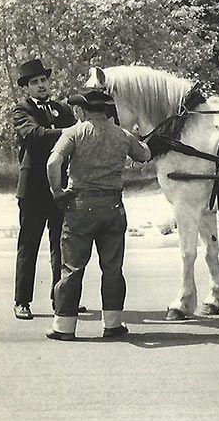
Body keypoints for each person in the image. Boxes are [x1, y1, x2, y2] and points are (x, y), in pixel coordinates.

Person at [45, 87, 151, 341]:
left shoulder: (73, 133)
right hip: (113, 207)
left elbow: (52, 163)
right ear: (106, 110)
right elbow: (145, 154)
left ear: (82, 110)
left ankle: (64, 327)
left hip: (80, 206)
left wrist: (58, 191)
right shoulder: (122, 135)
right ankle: (112, 324)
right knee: (112, 268)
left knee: (71, 268)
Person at [11, 58, 77, 320]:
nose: (41, 86)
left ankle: (60, 298)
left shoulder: (61, 109)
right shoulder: (21, 110)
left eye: (43, 81)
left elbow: (79, 136)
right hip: (33, 189)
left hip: (59, 186)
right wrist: (69, 133)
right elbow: (34, 136)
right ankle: (22, 301)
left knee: (60, 245)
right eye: (35, 82)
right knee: (29, 245)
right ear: (27, 87)